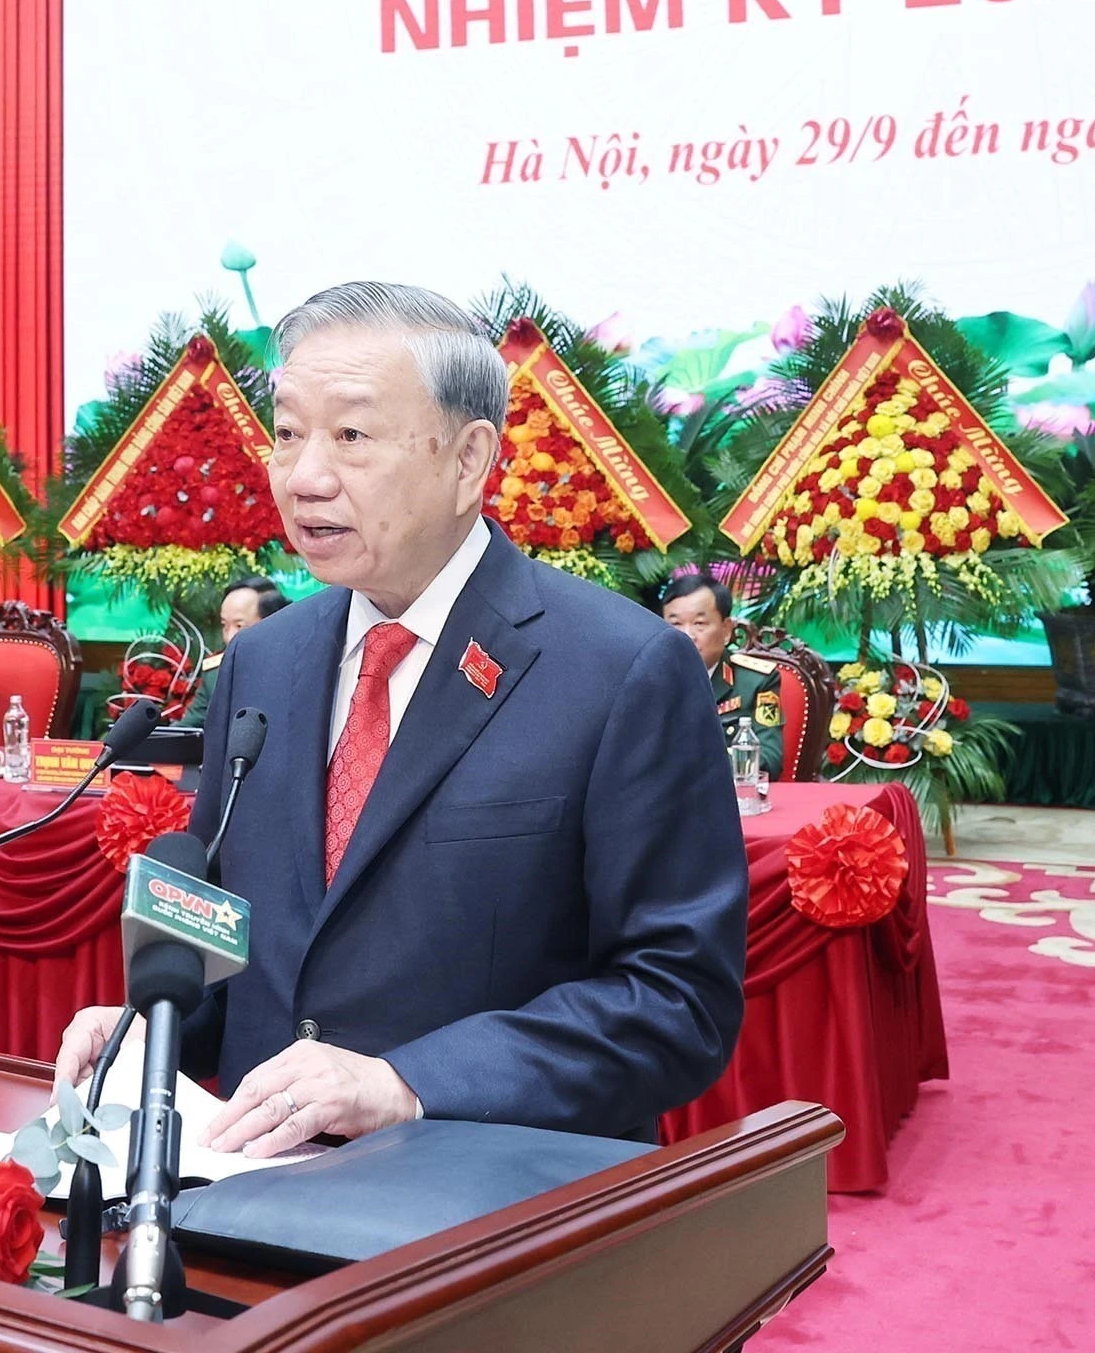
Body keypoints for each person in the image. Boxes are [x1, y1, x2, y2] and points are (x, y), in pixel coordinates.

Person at [53, 282, 746, 1154]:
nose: (305, 476)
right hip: (256, 1187)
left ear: (467, 460)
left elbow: (675, 1003)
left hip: (489, 1205)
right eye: (288, 433)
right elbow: (237, 947)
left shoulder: (621, 670)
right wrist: (146, 1030)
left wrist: (405, 1082)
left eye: (350, 436)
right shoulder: (265, 661)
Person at [659, 573, 785, 777]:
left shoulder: (756, 682)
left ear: (726, 630)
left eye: (700, 624)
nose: (687, 635)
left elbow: (769, 759)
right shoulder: (646, 680)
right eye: (676, 624)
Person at [180, 576, 288, 728]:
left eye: (239, 626)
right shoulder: (215, 673)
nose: (229, 637)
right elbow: (189, 728)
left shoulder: (292, 669)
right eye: (224, 625)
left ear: (270, 622)